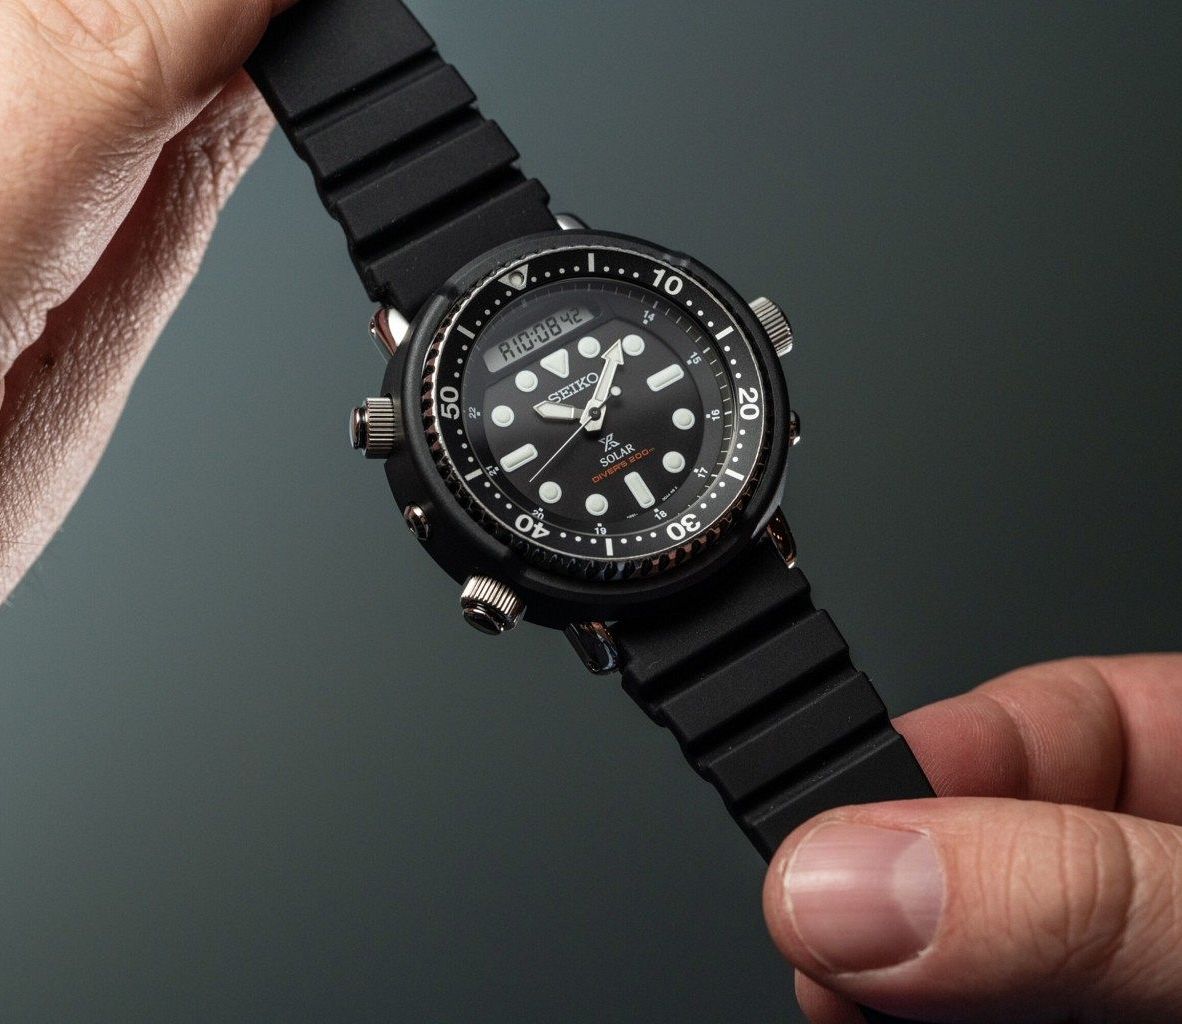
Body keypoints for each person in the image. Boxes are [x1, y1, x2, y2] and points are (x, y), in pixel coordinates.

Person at [1, 4, 1178, 1022]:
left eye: (609, 387)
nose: (602, 410)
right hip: (685, 555)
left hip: (716, 547)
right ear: (397, 432)